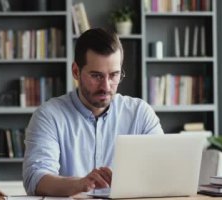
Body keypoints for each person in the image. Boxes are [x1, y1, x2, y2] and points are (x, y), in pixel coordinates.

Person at [23, 28, 164, 196]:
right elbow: (36, 179)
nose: (106, 86)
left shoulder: (140, 114)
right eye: (96, 76)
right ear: (76, 71)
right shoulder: (49, 116)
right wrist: (80, 184)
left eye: (114, 75)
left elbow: (161, 169)